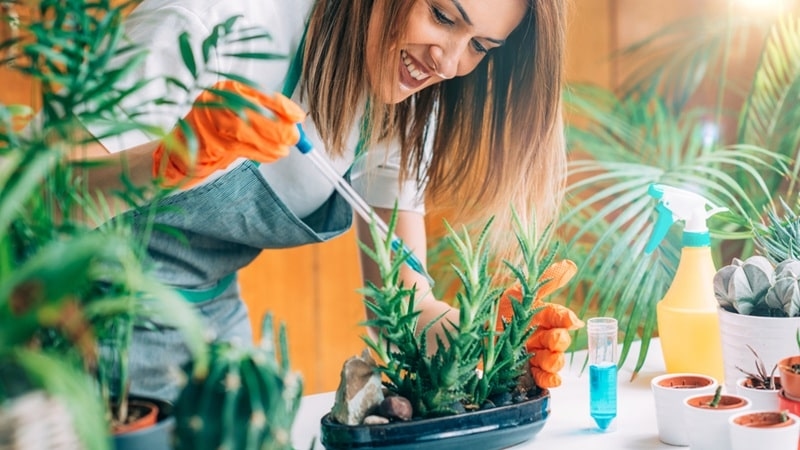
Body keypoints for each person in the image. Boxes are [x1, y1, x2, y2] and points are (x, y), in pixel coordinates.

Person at [76, 0, 571, 402]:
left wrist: (487, 337)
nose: (448, 62)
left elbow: (403, 305)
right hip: (65, 324)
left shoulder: (402, 93)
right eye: (442, 17)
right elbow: (36, 202)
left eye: (480, 46)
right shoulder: (213, 23)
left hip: (209, 326)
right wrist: (169, 159)